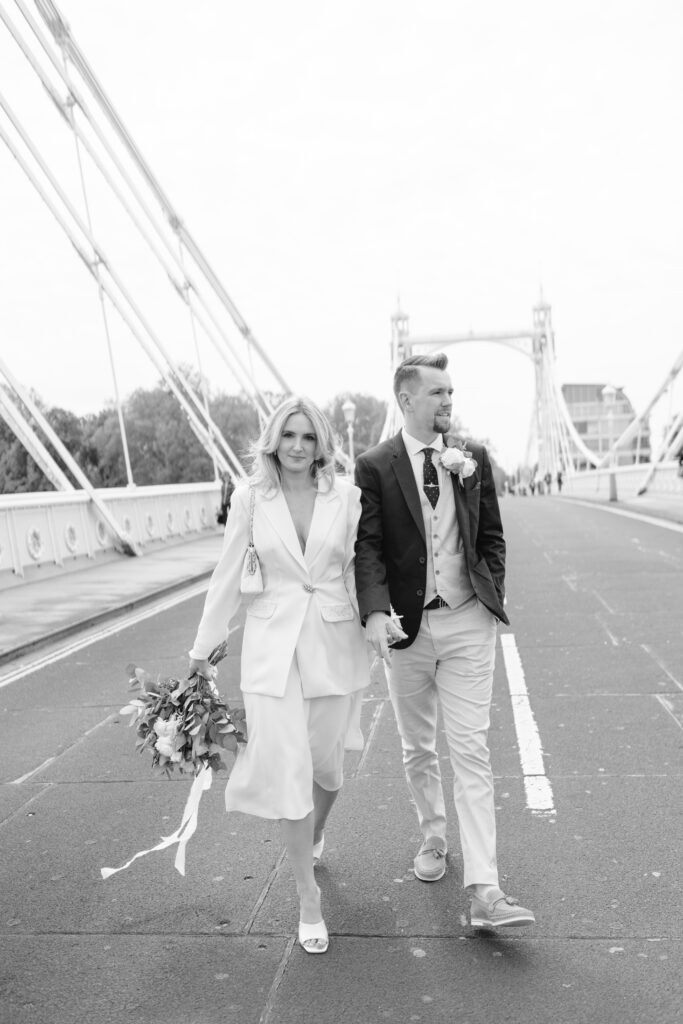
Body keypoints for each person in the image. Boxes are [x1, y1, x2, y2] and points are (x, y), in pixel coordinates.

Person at [354, 352, 535, 930]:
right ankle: (433, 837)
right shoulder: (375, 466)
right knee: (418, 749)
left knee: (472, 751)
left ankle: (486, 890)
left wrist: (489, 593)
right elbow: (369, 549)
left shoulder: (472, 457)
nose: (448, 402)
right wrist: (376, 613)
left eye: (451, 392)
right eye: (437, 393)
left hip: (465, 622)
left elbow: (491, 536)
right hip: (407, 628)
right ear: (406, 400)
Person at [188, 396, 370, 954]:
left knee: (328, 769)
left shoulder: (347, 497)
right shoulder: (249, 499)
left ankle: (313, 833)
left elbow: (364, 570)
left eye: (308, 437)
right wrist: (202, 650)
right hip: (272, 650)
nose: (297, 446)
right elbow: (226, 577)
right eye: (288, 435)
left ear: (321, 445)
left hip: (335, 641)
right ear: (273, 440)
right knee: (289, 768)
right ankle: (307, 897)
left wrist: (383, 627)